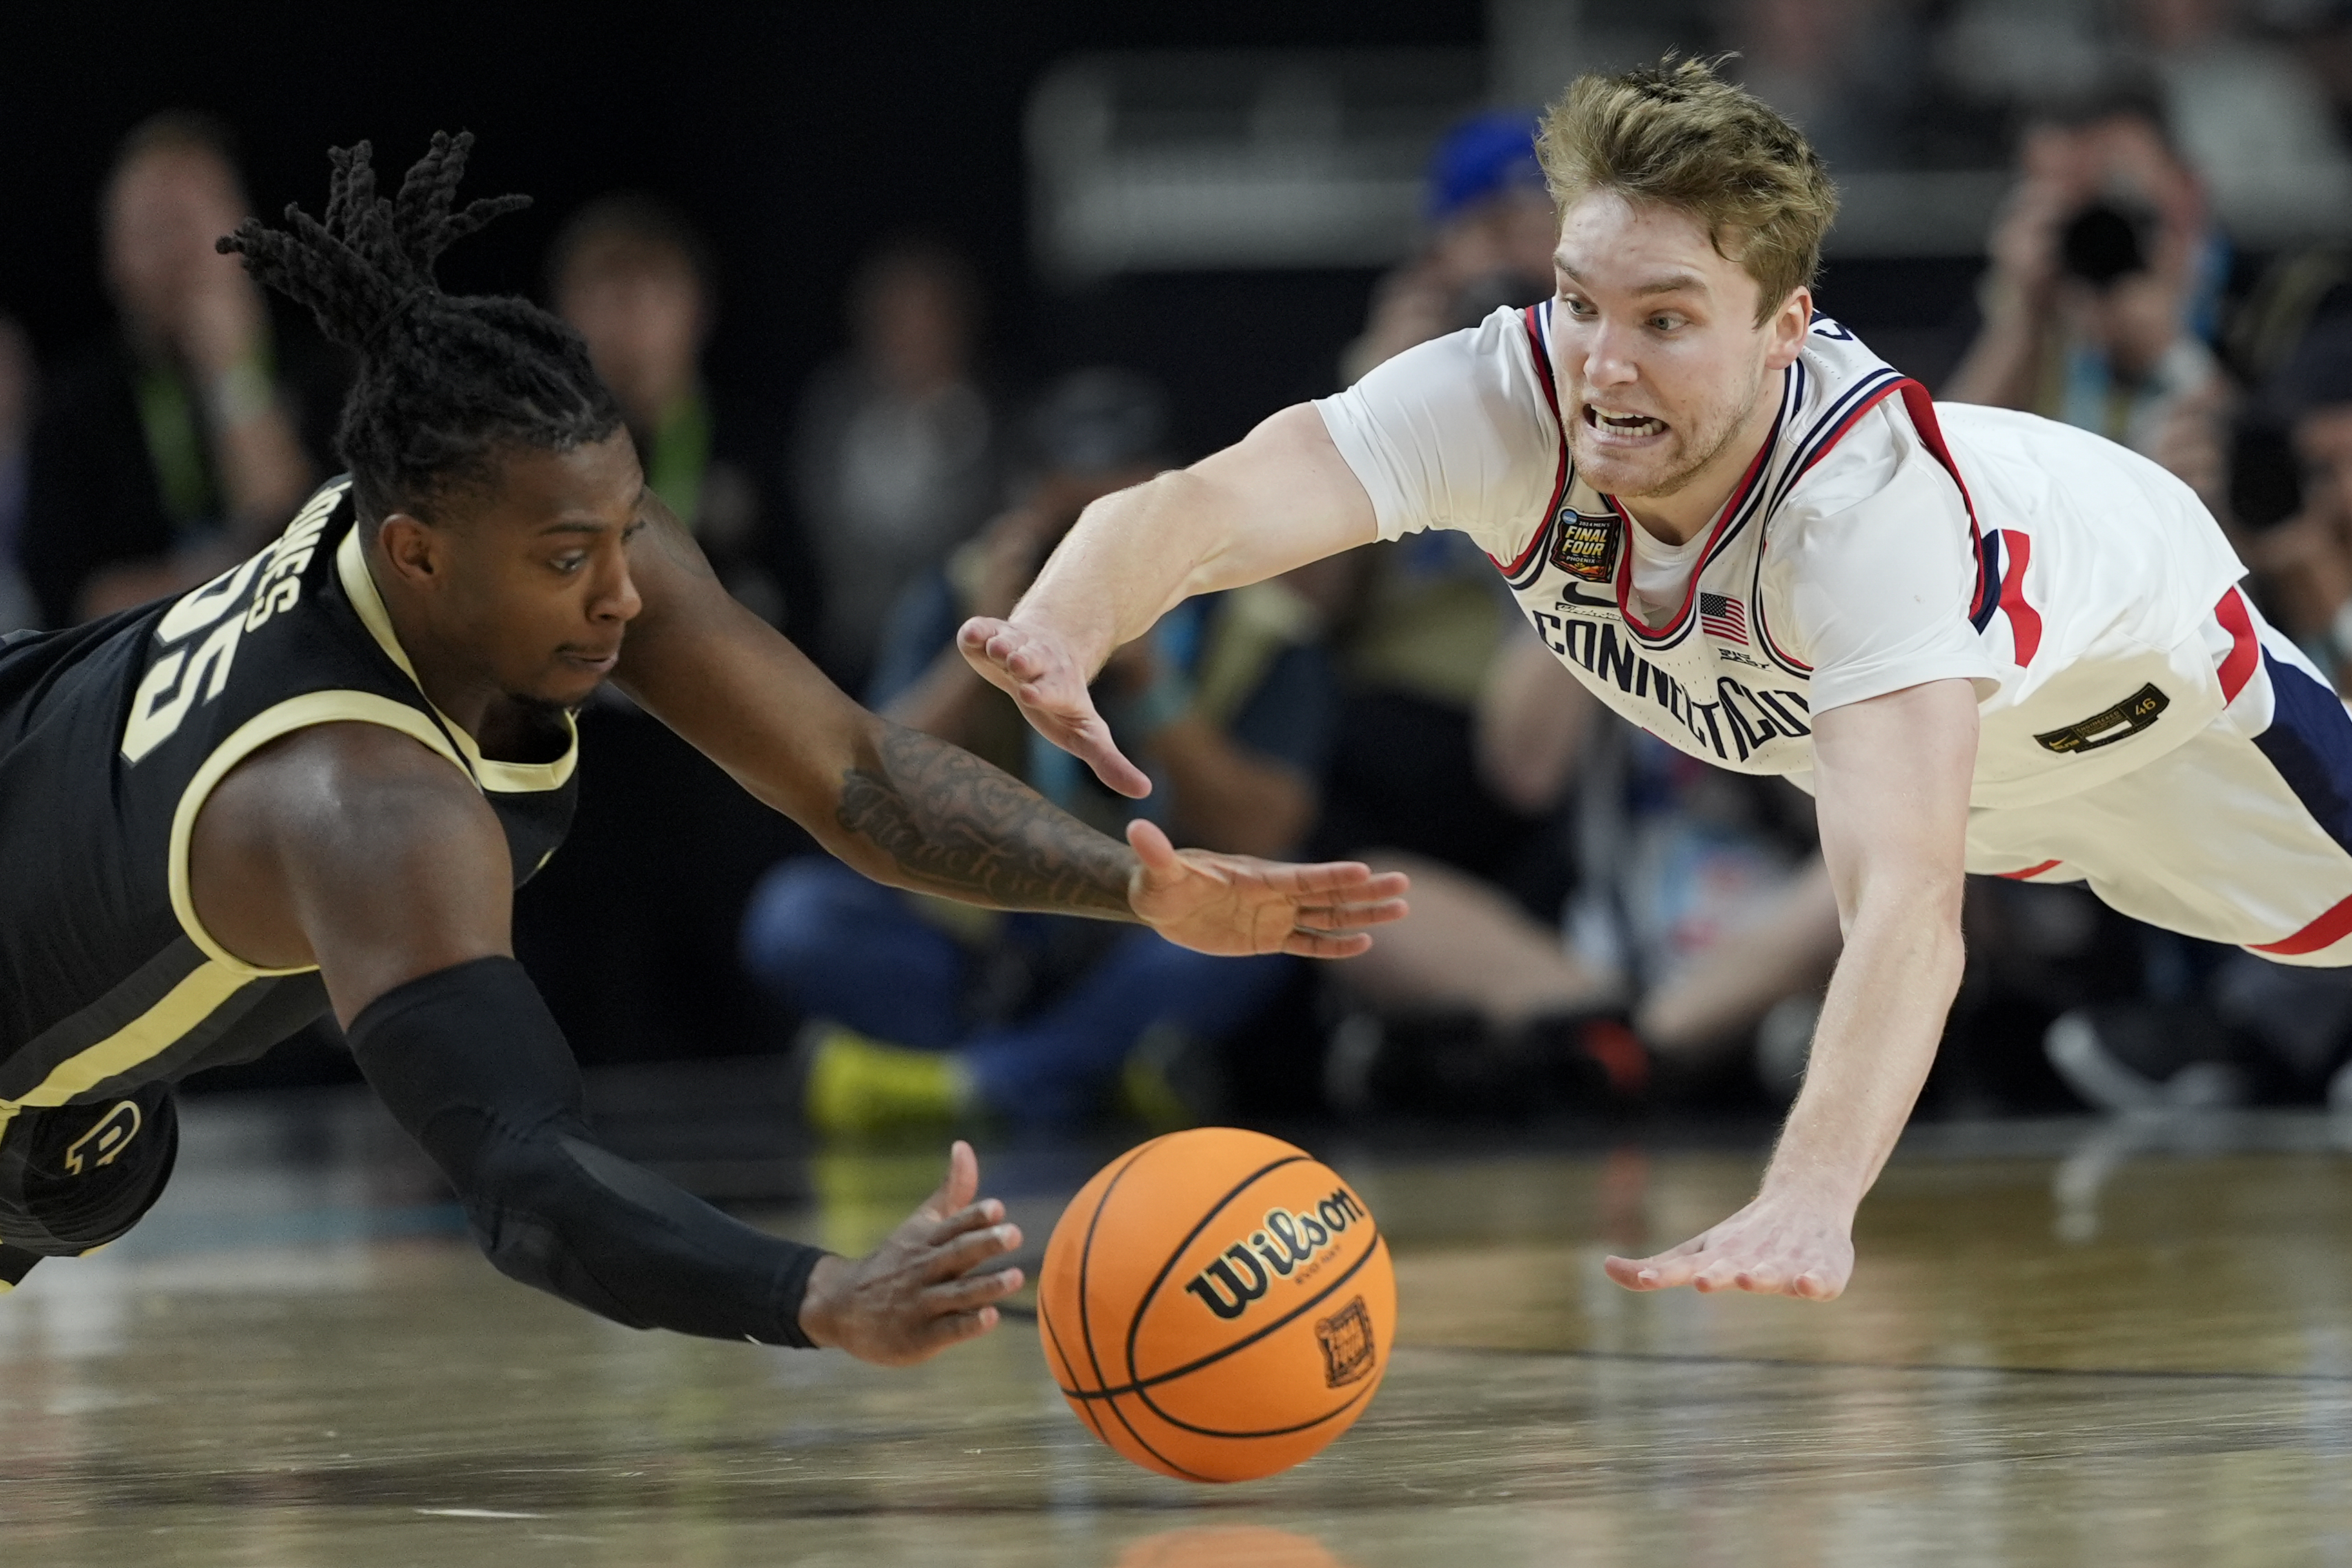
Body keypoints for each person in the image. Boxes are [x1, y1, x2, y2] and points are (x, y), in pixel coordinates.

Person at [0, 136, 1407, 1365]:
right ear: (413, 555)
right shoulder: (364, 800)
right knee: (79, 1170)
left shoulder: (529, 519)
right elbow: (526, 1177)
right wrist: (818, 1294)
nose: (623, 591)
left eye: (627, 528)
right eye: (571, 557)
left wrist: (1140, 888)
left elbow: (856, 774)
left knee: (93, 1165)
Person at [959, 59, 2346, 1303]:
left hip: (2153, 717)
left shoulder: (1865, 516)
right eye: (1580, 301)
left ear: (1782, 328)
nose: (1606, 365)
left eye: (1668, 320)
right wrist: (1067, 623)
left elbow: (1908, 913)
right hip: (1960, 775)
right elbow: (1202, 504)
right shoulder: (1505, 397)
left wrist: (1809, 1192)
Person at [745, 370, 1344, 1132]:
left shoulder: (1261, 626)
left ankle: (971, 1081)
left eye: (1126, 521)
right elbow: (861, 787)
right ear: (1024, 515)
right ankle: (1079, 1068)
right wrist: (982, 655)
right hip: (983, 930)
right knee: (795, 915)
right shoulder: (962, 591)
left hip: (1152, 929)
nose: (1100, 552)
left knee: (1272, 924)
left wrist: (1155, 690)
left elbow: (1265, 832)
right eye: (1073, 524)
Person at [21, 112, 318, 629]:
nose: (178, 256)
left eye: (191, 224)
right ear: (112, 255)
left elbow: (311, 553)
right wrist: (239, 570)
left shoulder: (327, 371)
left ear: (246, 237)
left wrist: (233, 375)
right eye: (153, 229)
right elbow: (78, 607)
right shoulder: (73, 409)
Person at [793, 241, 999, 694]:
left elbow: (991, 535)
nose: (909, 333)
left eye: (927, 317)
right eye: (894, 317)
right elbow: (819, 517)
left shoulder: (998, 421)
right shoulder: (834, 405)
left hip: (961, 650)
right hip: (852, 646)